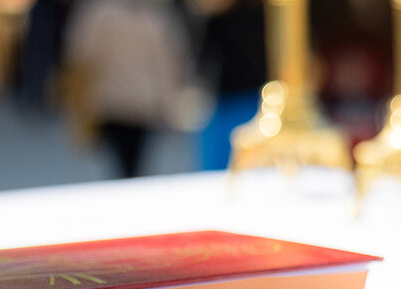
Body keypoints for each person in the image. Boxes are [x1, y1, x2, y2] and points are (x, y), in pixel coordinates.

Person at [63, 0, 189, 178]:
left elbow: (79, 55)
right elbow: (166, 65)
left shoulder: (99, 14)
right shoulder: (148, 17)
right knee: (131, 164)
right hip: (134, 103)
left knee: (125, 164)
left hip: (118, 102)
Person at [195, 0, 267, 172]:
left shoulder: (219, 19)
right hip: (258, 99)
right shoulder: (264, 17)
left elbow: (204, 61)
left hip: (231, 99)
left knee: (219, 170)